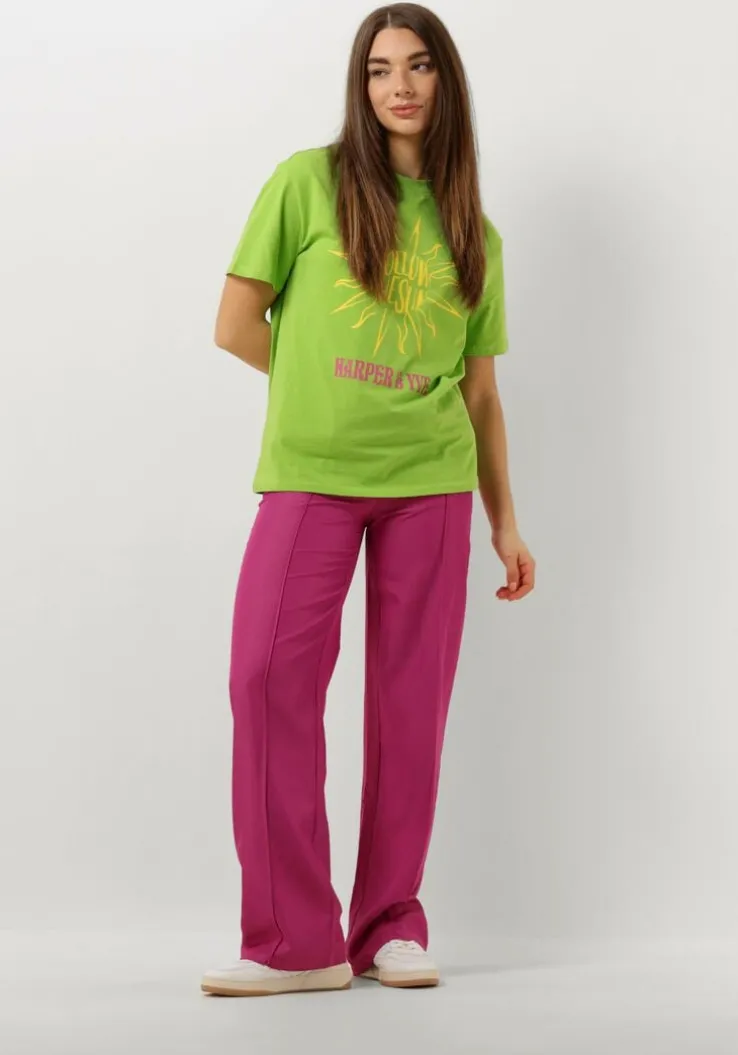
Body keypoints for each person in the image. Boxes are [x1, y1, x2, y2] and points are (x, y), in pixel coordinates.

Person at [201, 2, 535, 998]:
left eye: (419, 66)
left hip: (431, 488)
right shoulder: (306, 183)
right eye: (381, 68)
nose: (400, 85)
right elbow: (236, 323)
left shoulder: (475, 233)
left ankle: (390, 921)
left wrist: (505, 520)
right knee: (266, 677)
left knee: (408, 706)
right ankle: (293, 939)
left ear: (445, 83)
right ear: (360, 85)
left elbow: (480, 393)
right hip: (311, 474)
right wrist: (325, 389)